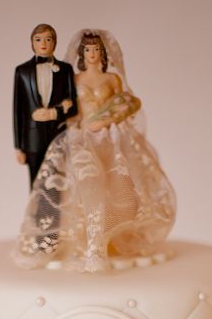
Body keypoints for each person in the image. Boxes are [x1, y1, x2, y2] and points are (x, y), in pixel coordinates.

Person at [14, 29, 176, 272]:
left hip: (111, 139)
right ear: (82, 54)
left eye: (96, 50)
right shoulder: (74, 79)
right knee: (87, 185)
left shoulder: (112, 79)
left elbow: (125, 102)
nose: (92, 54)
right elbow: (69, 108)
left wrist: (110, 118)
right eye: (88, 50)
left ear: (103, 53)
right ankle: (91, 246)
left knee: (121, 190)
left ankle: (110, 237)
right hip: (82, 139)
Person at [13, 23, 77, 187]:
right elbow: (18, 111)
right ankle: (36, 214)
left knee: (58, 184)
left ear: (54, 43)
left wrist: (55, 113)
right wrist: (18, 147)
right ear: (32, 43)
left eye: (48, 39)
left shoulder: (65, 70)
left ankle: (57, 214)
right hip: (32, 140)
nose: (43, 43)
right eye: (38, 39)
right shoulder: (22, 71)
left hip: (59, 137)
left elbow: (74, 106)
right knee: (36, 185)